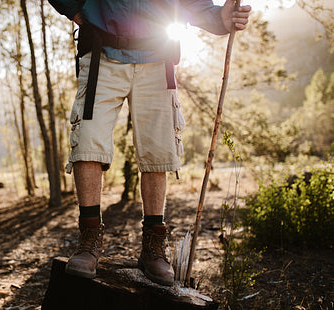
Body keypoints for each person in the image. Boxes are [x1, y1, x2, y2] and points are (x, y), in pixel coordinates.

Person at [48, 0, 251, 286]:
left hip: (158, 55)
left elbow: (195, 5)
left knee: (158, 151)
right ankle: (88, 240)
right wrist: (75, 9)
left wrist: (221, 18)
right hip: (102, 52)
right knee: (88, 143)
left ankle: (154, 247)